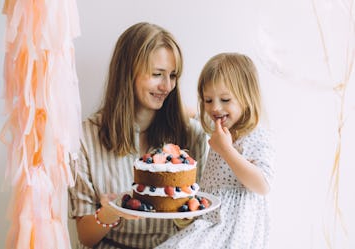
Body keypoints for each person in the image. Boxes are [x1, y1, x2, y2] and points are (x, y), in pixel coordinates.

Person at [68, 22, 208, 249]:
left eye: (173, 75)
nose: (167, 86)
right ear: (127, 73)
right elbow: (85, 236)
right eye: (157, 74)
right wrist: (111, 212)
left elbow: (201, 225)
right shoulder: (85, 138)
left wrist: (184, 215)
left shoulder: (191, 135)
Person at [156, 52, 275, 249]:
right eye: (208, 100)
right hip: (210, 218)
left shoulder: (257, 135)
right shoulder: (222, 129)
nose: (215, 108)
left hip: (234, 228)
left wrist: (227, 151)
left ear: (247, 98)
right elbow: (193, 114)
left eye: (225, 99)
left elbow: (263, 185)